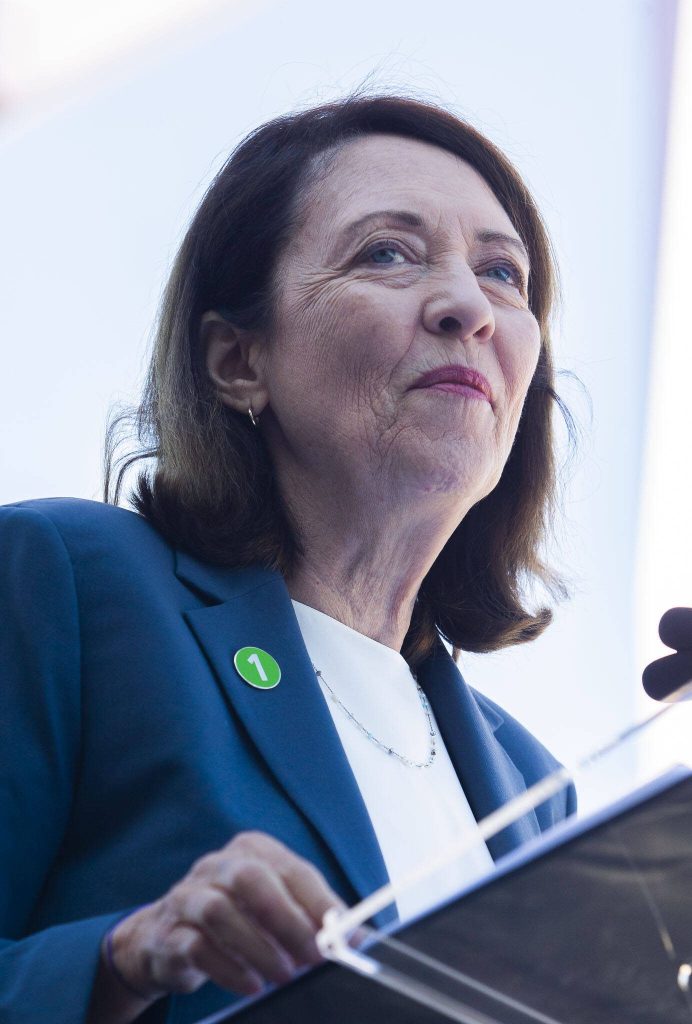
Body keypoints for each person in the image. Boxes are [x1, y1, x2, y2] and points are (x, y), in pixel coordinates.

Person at [0, 94, 576, 1024]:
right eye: (387, 251)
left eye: (504, 273)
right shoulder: (67, 582)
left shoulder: (538, 794)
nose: (469, 306)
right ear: (239, 361)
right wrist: (119, 963)